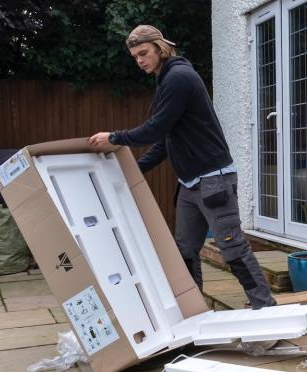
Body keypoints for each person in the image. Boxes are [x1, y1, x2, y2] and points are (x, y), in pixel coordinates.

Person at [88, 25, 275, 309]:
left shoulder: (179, 78)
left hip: (214, 181)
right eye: (135, 56)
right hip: (189, 183)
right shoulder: (165, 81)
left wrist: (113, 138)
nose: (140, 60)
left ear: (160, 48)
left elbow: (153, 130)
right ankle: (194, 308)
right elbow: (165, 140)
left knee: (232, 248)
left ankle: (265, 308)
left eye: (144, 53)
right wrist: (133, 171)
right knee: (185, 250)